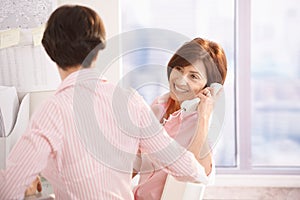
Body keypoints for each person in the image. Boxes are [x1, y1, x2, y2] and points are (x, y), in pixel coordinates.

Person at [0, 5, 209, 200]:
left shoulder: (53, 110)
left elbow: (9, 187)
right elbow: (184, 167)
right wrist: (201, 175)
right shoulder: (129, 101)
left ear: (49, 50)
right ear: (98, 48)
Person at [133, 38, 227, 199]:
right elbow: (136, 160)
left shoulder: (205, 123)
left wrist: (203, 117)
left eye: (193, 76)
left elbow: (199, 174)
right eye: (178, 69)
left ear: (209, 87)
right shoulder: (158, 106)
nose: (181, 79)